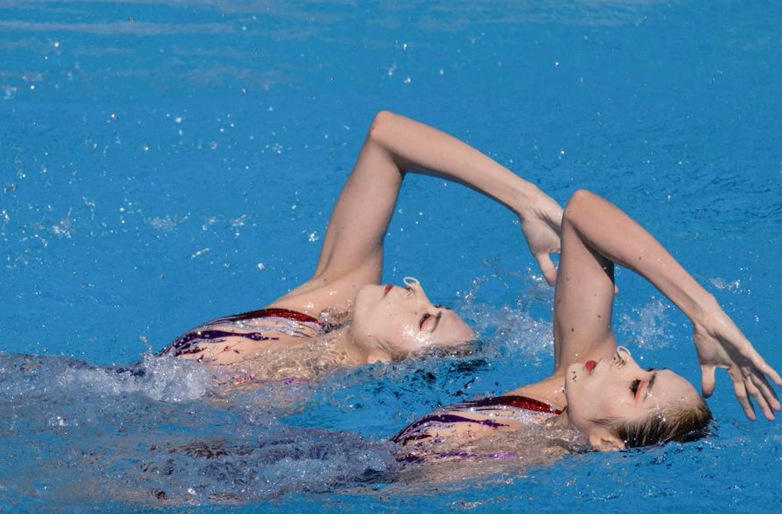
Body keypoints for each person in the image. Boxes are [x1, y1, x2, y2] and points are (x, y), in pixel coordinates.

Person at [159, 111, 564, 382]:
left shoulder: (272, 401)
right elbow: (387, 136)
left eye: (425, 319)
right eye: (434, 303)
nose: (417, 290)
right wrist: (526, 202)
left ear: (382, 364)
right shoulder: (327, 303)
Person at [392, 189, 782, 460]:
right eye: (646, 368)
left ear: (608, 443)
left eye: (636, 386)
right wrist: (702, 310)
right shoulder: (571, 379)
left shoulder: (511, 473)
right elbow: (582, 212)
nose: (625, 358)